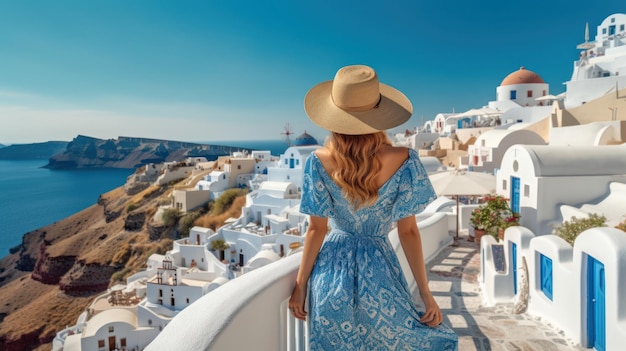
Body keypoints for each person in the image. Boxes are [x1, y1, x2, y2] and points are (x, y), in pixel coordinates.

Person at [289, 65, 458, 350]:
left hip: (330, 277)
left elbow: (316, 230)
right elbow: (409, 233)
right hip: (380, 274)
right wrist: (426, 294)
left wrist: (300, 285)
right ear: (379, 116)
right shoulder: (405, 159)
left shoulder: (317, 162)